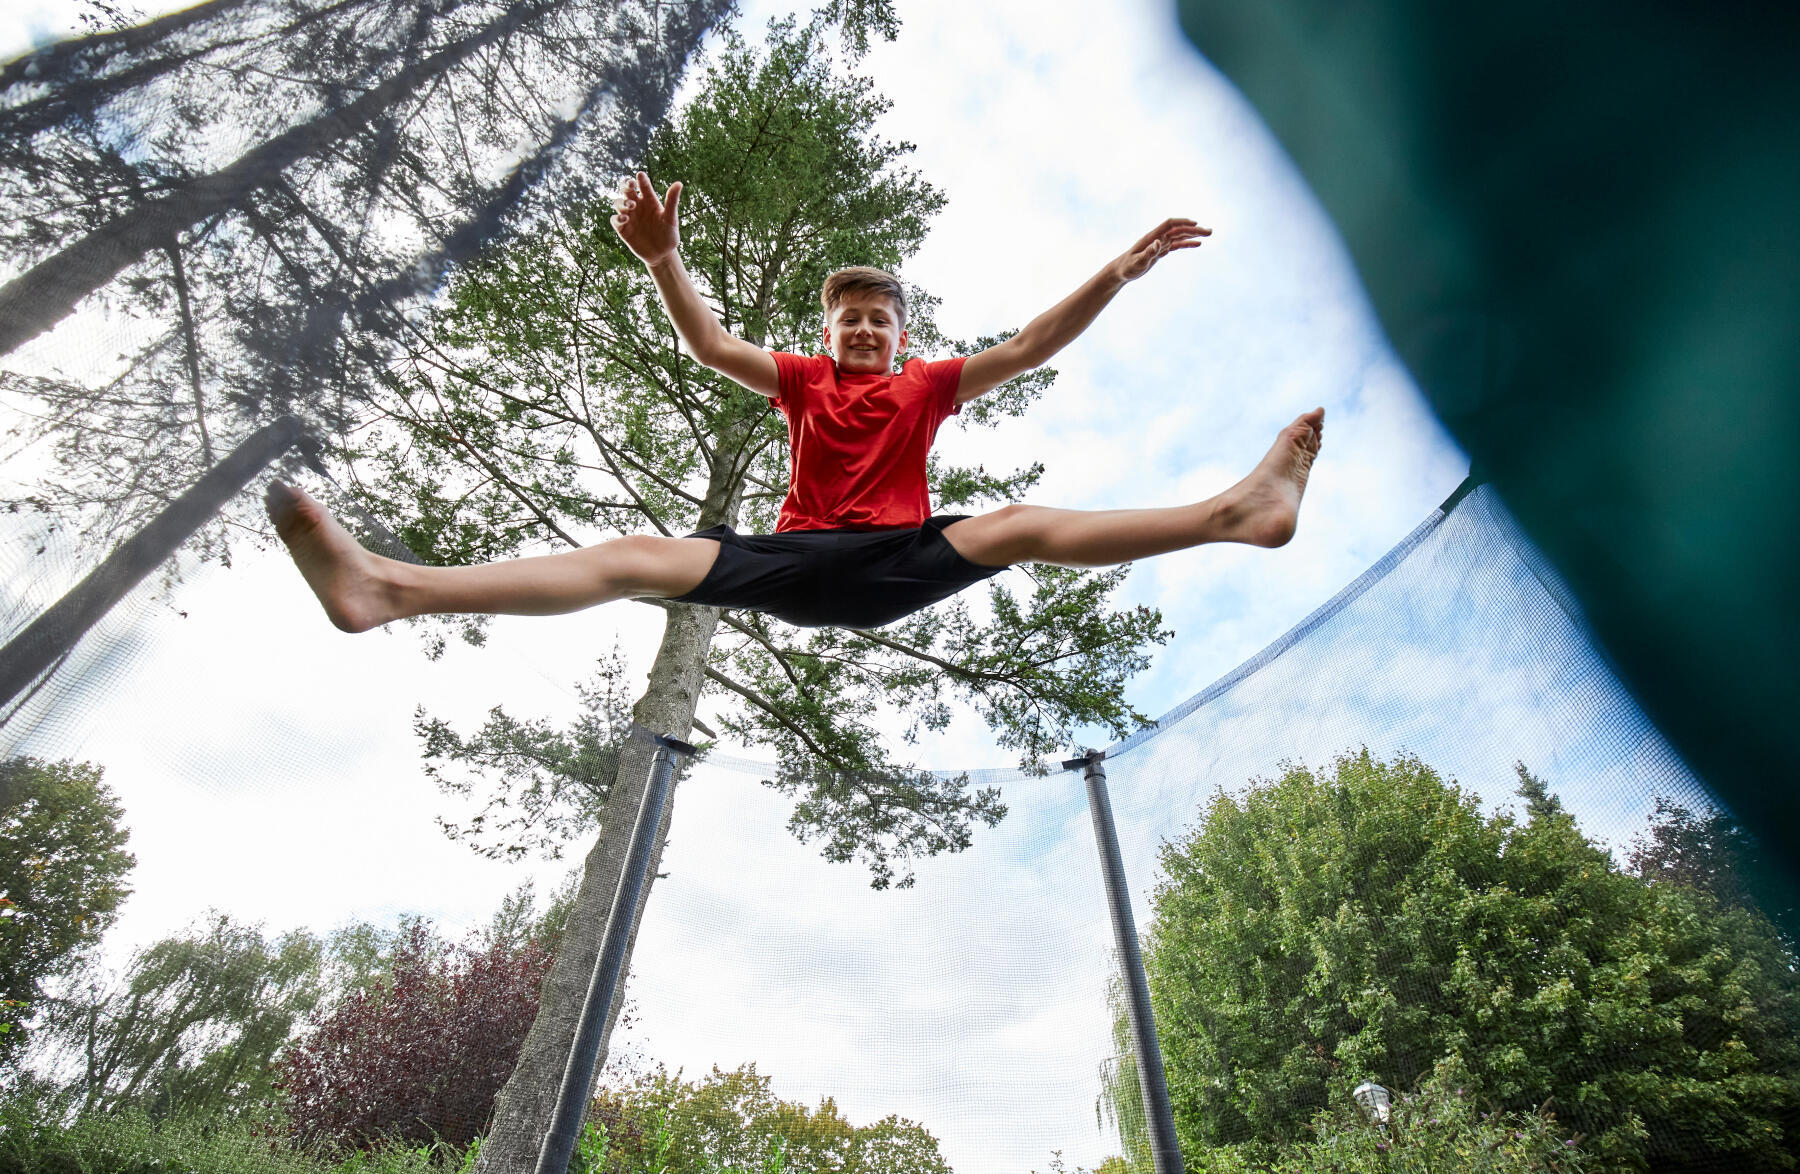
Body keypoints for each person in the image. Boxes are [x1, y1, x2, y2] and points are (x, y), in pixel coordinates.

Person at [266, 171, 1323, 633]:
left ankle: (1237, 515)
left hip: (900, 557)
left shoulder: (930, 385)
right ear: (826, 337)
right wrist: (665, 259)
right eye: (847, 321)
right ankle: (389, 591)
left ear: (903, 335)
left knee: (1017, 525)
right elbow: (710, 343)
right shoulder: (805, 381)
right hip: (799, 562)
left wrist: (1117, 272)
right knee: (633, 556)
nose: (863, 332)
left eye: (879, 321)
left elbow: (1034, 343)